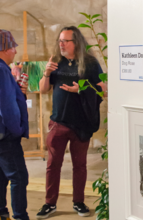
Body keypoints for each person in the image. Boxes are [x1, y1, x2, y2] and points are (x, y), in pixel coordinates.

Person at [36, 26, 105, 219]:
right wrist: (46, 73)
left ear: (77, 43)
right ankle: (50, 204)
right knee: (53, 165)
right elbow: (43, 90)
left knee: (79, 165)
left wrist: (82, 90)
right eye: (60, 40)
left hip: (81, 124)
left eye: (65, 41)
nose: (61, 44)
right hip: (58, 122)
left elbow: (103, 89)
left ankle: (79, 202)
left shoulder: (90, 63)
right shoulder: (56, 62)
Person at [0, 30, 30, 220]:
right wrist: (17, 129)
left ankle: (2, 213)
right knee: (19, 177)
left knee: (2, 176)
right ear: (4, 48)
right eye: (13, 47)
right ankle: (20, 216)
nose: (15, 52)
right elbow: (7, 106)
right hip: (6, 135)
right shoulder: (2, 69)